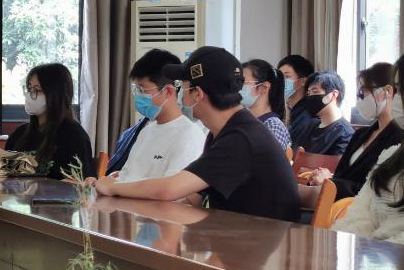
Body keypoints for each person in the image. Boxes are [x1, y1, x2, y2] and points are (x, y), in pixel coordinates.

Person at [95, 46, 300, 222]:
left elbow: (170, 189)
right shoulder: (222, 132)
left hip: (263, 241)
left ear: (197, 94)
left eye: (183, 88)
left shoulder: (241, 137)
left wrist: (113, 188)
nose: (180, 95)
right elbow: (194, 195)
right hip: (240, 232)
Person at [305, 61, 403, 200]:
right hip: (336, 202)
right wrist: (326, 178)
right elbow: (341, 174)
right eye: (359, 93)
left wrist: (330, 182)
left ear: (387, 92)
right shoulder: (361, 134)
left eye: (364, 91)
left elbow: (375, 189)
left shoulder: (398, 138)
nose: (360, 98)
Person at [104, 49, 204, 183]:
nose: (138, 96)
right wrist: (102, 183)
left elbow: (171, 189)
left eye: (142, 89)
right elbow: (127, 177)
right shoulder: (146, 131)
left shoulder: (189, 135)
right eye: (136, 89)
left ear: (168, 91)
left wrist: (115, 188)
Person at [4, 63, 94, 180]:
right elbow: (3, 172)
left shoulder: (74, 136)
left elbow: (83, 183)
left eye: (37, 90)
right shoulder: (19, 134)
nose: (30, 95)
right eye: (29, 89)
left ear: (56, 94)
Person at [290, 70, 354, 156]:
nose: (310, 97)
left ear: (334, 95)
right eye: (309, 93)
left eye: (315, 92)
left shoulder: (345, 134)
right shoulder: (309, 125)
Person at [241, 59, 290, 150]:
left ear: (264, 87)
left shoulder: (274, 126)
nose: (238, 88)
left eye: (243, 83)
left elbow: (271, 159)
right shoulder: (245, 121)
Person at [278, 54, 315, 138]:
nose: (281, 81)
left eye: (287, 76)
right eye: (280, 77)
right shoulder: (283, 109)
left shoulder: (307, 115)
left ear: (303, 81)